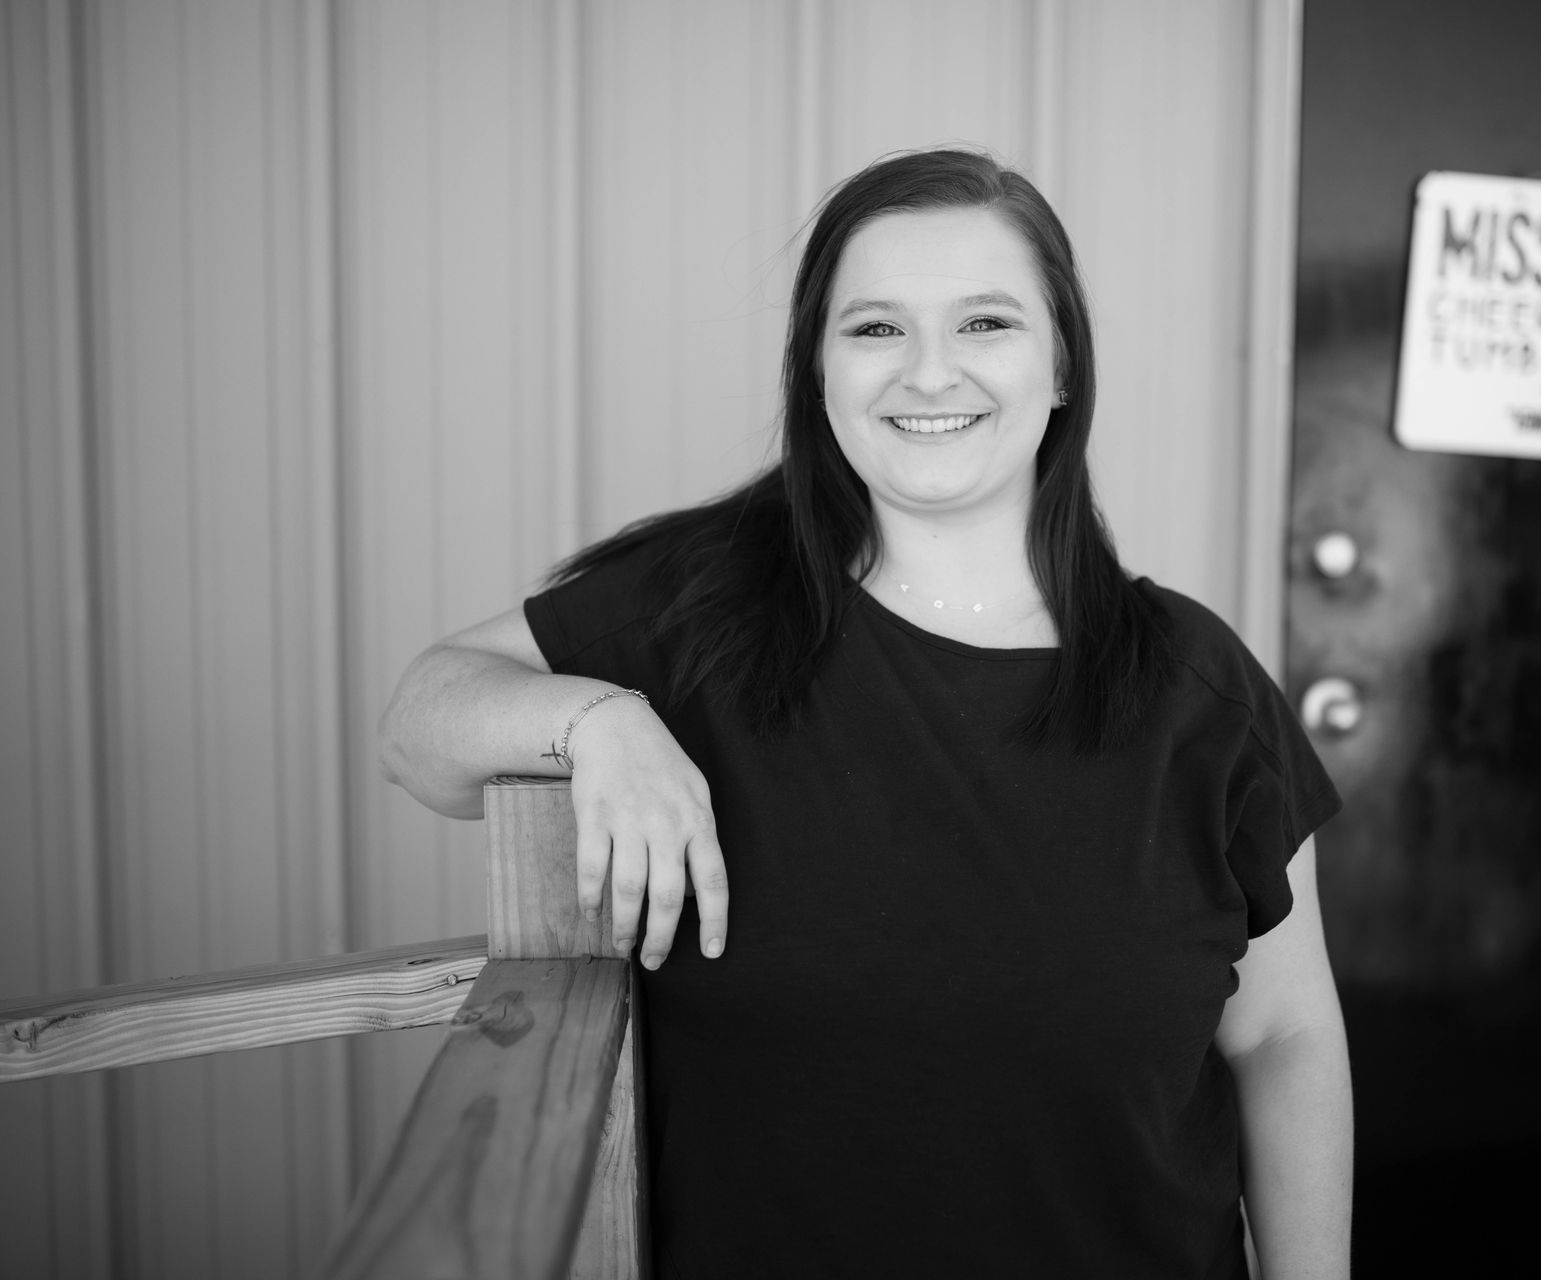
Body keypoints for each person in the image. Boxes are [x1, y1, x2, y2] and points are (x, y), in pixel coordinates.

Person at [379, 148, 1351, 1279]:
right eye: (877, 328)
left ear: (1063, 365)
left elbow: (1284, 1032)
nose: (929, 374)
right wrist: (597, 719)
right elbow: (421, 727)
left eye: (986, 323)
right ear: (819, 372)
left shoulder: (1200, 690)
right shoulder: (705, 612)